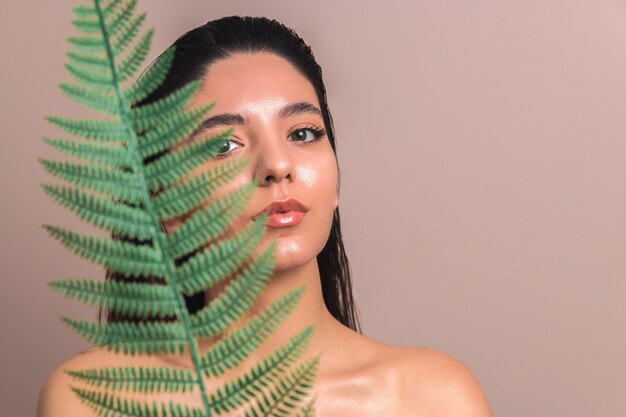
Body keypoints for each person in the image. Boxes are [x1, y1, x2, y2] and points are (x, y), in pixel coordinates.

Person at [37, 15, 493, 416]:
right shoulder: (93, 398)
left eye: (303, 132)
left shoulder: (435, 399)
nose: (277, 165)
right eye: (224, 145)